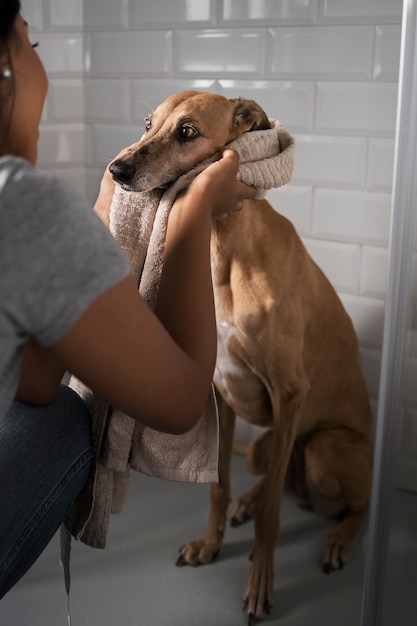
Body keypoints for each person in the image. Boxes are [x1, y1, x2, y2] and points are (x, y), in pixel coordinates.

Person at [0, 1, 256, 599]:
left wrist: (96, 218)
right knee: (67, 420)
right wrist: (192, 216)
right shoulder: (22, 205)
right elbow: (181, 400)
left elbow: (34, 378)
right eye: (31, 48)